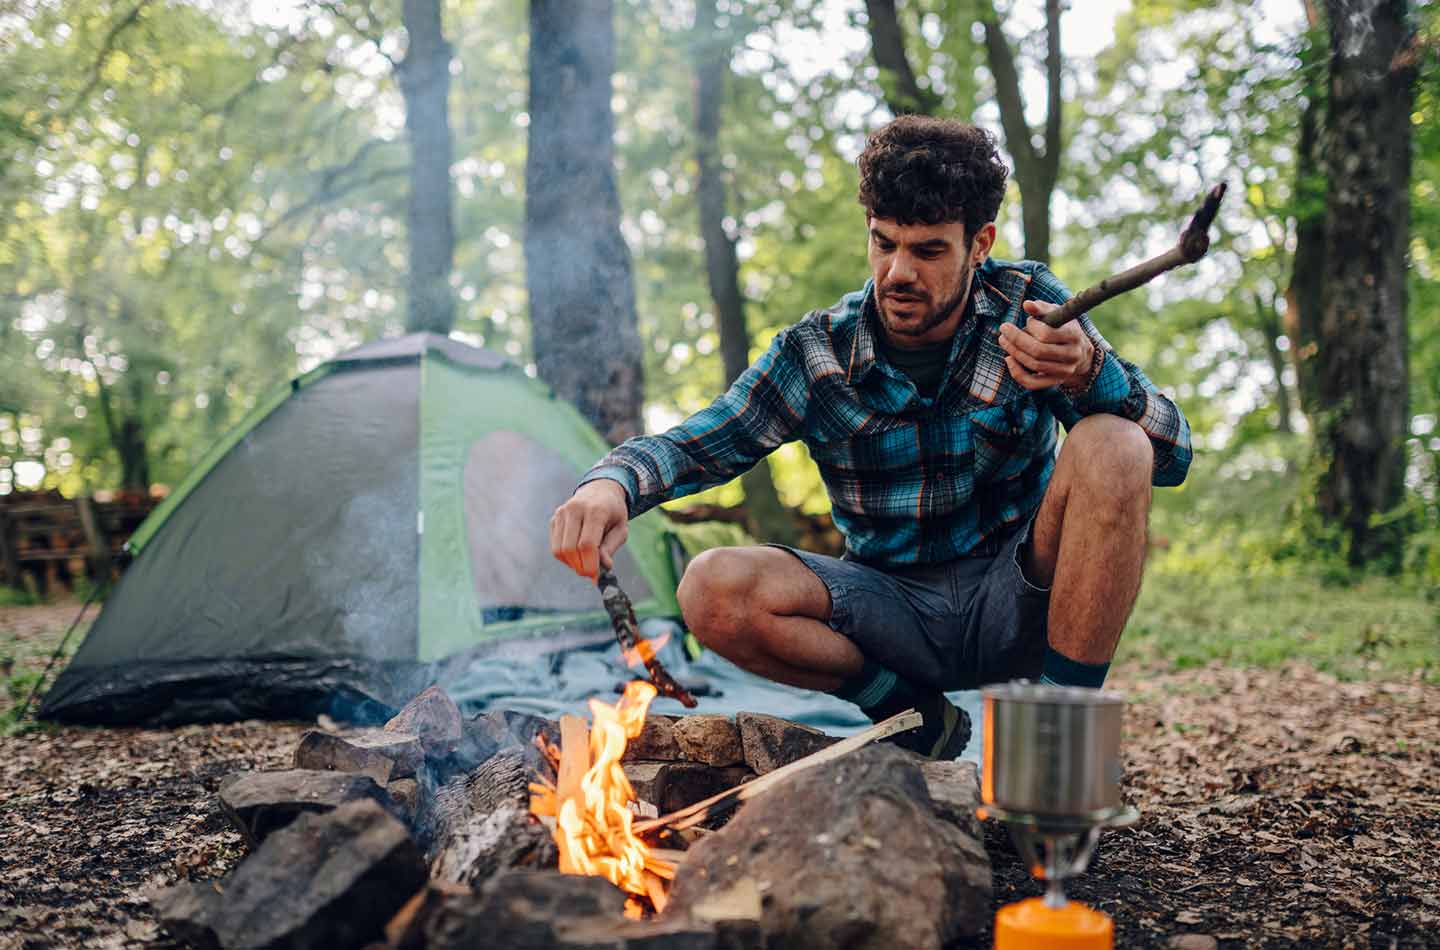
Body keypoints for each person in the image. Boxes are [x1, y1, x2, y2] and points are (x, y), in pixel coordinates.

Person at [549, 115, 1191, 760]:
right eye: (884, 244)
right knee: (710, 587)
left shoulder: (1032, 308)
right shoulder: (816, 352)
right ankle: (912, 714)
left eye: (928, 250)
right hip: (890, 611)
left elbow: (1170, 456)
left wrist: (1089, 374)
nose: (898, 273)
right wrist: (611, 483)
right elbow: (705, 439)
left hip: (1019, 599)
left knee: (1114, 441)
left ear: (980, 244)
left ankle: (1057, 747)